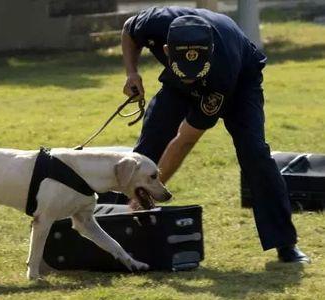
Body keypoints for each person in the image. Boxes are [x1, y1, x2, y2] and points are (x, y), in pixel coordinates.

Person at [101, 6, 310, 263]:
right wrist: (131, 72)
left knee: (254, 152)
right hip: (177, 81)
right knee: (150, 143)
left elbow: (185, 139)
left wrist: (150, 191)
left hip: (240, 83)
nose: (191, 82)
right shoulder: (156, 21)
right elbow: (129, 31)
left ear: (209, 54)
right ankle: (111, 224)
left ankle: (284, 243)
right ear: (167, 51)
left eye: (195, 74)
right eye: (184, 73)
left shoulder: (223, 69)